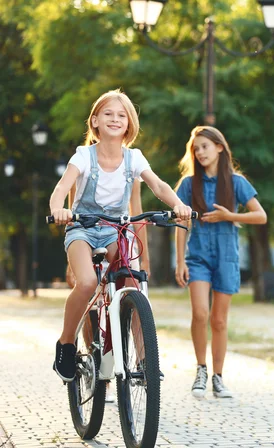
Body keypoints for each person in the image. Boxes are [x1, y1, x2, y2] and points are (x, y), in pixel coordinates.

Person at [49, 89, 192, 383]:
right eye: (108, 114)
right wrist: (58, 209)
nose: (115, 119)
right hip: (82, 228)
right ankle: (65, 343)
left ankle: (144, 361)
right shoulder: (84, 156)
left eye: (121, 115)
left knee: (132, 281)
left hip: (115, 229)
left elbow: (159, 186)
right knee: (87, 282)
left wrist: (177, 204)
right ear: (95, 121)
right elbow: (63, 187)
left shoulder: (134, 158)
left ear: (129, 124)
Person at [174, 126, 267, 399]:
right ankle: (201, 369)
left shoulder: (236, 182)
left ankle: (218, 377)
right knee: (200, 313)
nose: (200, 152)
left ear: (219, 148)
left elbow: (260, 216)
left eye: (204, 146)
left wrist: (230, 216)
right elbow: (181, 223)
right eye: (196, 149)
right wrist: (180, 261)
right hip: (198, 258)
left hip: (227, 259)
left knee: (219, 321)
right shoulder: (189, 185)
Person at [65, 179, 149, 403]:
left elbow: (137, 212)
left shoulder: (130, 165)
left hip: (119, 236)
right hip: (86, 237)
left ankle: (143, 363)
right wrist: (70, 262)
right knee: (92, 300)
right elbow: (72, 208)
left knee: (133, 291)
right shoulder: (83, 161)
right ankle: (101, 375)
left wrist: (144, 256)